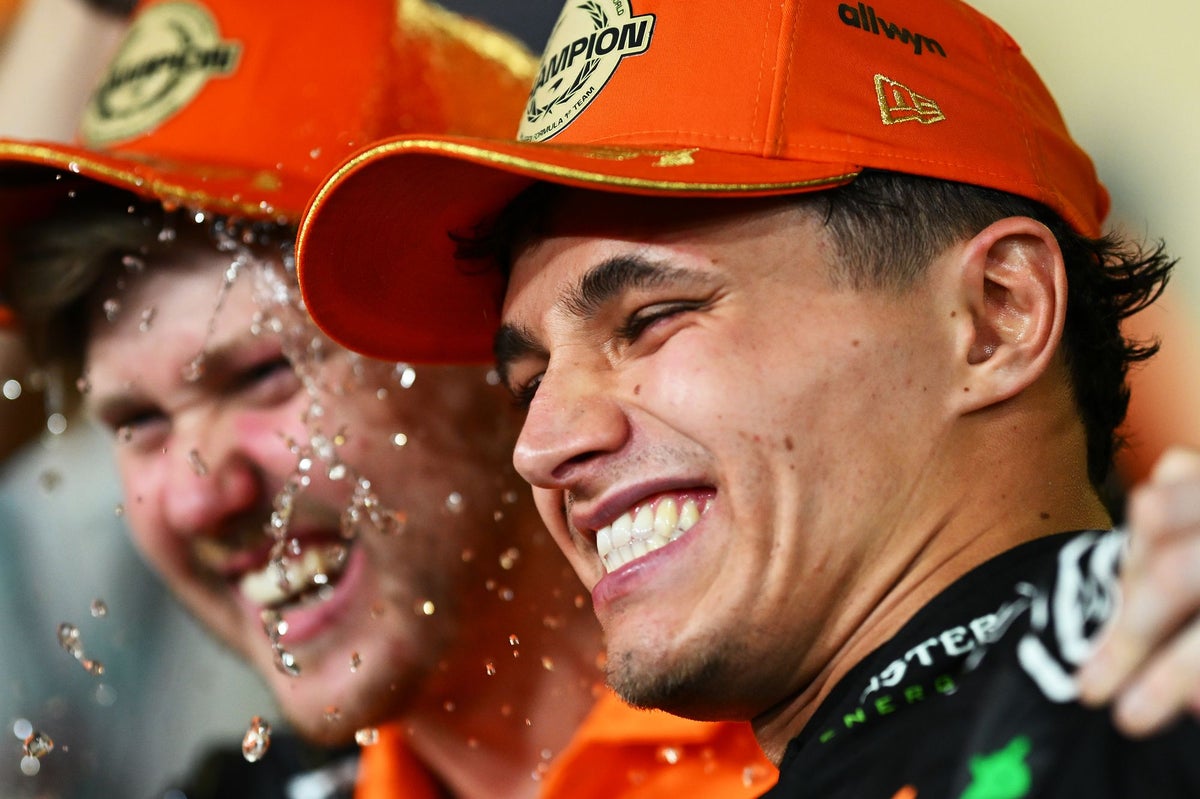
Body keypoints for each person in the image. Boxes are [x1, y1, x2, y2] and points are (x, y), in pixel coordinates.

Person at [292, 0, 1200, 793]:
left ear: (999, 313)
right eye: (528, 384)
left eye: (650, 318)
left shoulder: (1147, 665)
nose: (542, 445)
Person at [0, 1, 777, 797]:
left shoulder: (849, 735)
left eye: (265, 373)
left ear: (508, 351)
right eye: (138, 422)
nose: (200, 494)